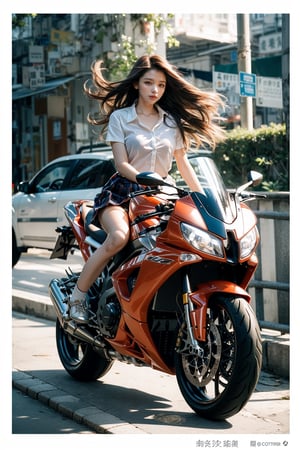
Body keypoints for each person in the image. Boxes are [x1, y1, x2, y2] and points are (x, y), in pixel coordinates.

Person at [69, 54, 225, 323]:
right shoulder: (121, 119)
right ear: (136, 85)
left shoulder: (170, 122)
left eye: (161, 85)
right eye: (149, 83)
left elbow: (183, 164)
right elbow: (121, 164)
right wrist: (144, 178)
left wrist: (203, 198)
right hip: (121, 193)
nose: (155, 90)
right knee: (118, 237)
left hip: (160, 195)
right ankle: (78, 298)